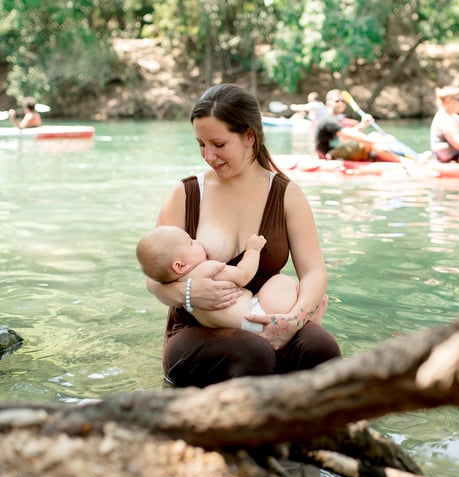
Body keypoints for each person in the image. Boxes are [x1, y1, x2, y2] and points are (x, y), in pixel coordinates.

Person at [145, 83, 341, 388]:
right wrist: (188, 294)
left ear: (249, 136)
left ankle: (319, 432)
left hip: (268, 315)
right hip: (197, 330)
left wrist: (294, 321)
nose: (208, 155)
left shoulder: (287, 195)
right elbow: (154, 279)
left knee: (321, 349)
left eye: (218, 144)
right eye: (201, 144)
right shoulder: (186, 194)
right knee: (253, 353)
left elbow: (314, 271)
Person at [137, 225, 318, 333]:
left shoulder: (177, 287)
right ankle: (305, 319)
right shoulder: (206, 270)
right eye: (191, 243)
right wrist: (253, 250)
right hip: (257, 316)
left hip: (236, 328)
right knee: (283, 282)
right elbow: (243, 275)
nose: (197, 241)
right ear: (179, 266)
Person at [314, 89, 401, 162]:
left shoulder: (333, 119)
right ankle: (401, 162)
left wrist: (363, 125)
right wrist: (380, 141)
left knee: (374, 135)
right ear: (328, 103)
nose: (341, 104)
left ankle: (391, 158)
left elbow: (344, 139)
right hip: (329, 155)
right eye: (337, 101)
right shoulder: (328, 120)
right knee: (371, 140)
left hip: (337, 151)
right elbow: (351, 135)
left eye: (343, 101)